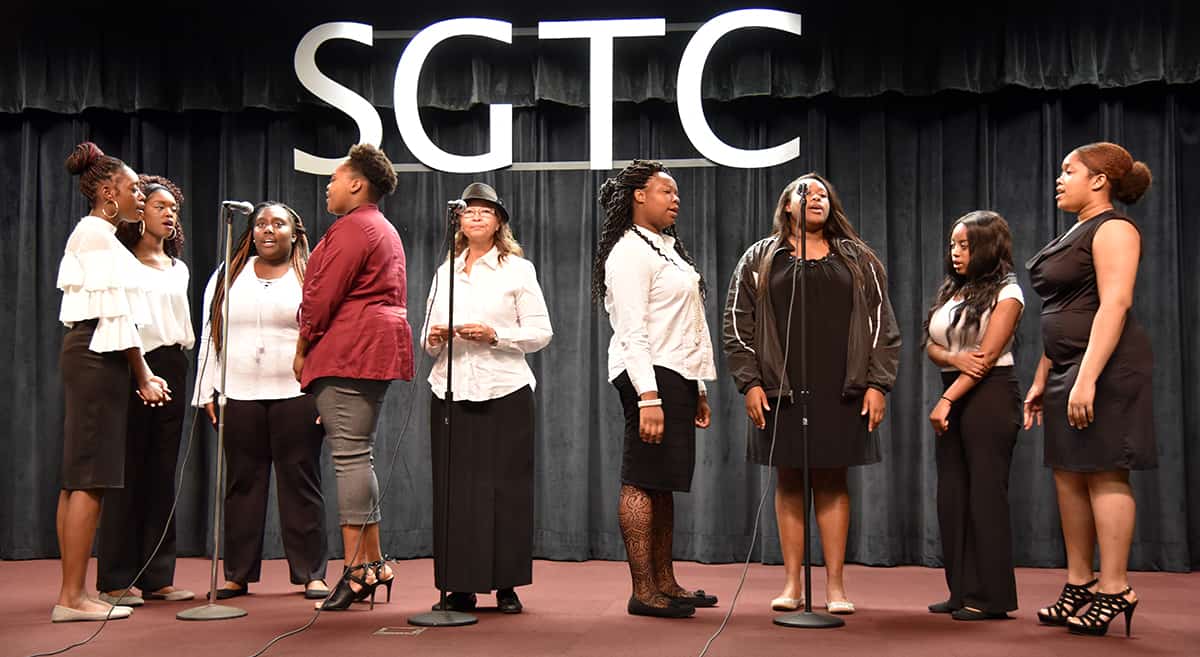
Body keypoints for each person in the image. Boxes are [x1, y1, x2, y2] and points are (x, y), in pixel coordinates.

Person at [722, 173, 899, 615]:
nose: (816, 198)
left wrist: (878, 383)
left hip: (843, 385)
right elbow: (737, 324)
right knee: (789, 479)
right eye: (807, 193)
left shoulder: (858, 258)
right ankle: (792, 584)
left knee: (834, 479)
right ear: (787, 206)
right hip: (781, 387)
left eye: (823, 194)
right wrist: (750, 382)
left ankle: (836, 587)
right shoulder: (760, 258)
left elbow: (883, 326)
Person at [1025, 142, 1155, 637]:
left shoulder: (1114, 229)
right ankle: (1080, 581)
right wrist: (1044, 376)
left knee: (1104, 474)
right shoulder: (1076, 231)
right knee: (1068, 475)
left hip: (1107, 368)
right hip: (1066, 368)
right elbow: (1061, 309)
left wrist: (1087, 377)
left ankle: (1115, 586)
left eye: (1068, 171)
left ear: (1098, 180)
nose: (1060, 179)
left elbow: (1114, 305)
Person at [420, 182, 552, 614]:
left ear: (499, 222)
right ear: (458, 221)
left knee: (505, 490)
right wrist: (436, 337)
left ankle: (506, 585)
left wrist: (496, 335)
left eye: (485, 211)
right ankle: (459, 585)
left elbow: (540, 333)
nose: (475, 216)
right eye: (468, 211)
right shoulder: (445, 272)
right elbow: (426, 338)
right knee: (455, 492)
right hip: (451, 389)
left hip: (504, 390)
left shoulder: (518, 269)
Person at [593, 160, 716, 619]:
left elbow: (687, 324)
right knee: (642, 477)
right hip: (647, 374)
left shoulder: (667, 248)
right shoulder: (628, 252)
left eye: (677, 192)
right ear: (638, 196)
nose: (676, 199)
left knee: (662, 483)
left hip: (676, 372)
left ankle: (666, 581)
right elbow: (632, 331)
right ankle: (643, 590)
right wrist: (648, 395)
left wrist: (698, 384)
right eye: (666, 190)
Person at [53, 141, 168, 622]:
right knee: (90, 479)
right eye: (132, 187)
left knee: (79, 478)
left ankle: (72, 592)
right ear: (107, 192)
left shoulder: (100, 233)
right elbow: (114, 312)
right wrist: (143, 372)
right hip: (98, 355)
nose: (139, 195)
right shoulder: (97, 235)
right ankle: (73, 597)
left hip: (92, 355)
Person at [295, 143, 413, 610]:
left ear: (357, 184)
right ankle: (373, 563)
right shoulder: (379, 228)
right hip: (368, 350)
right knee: (356, 455)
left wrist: (303, 346)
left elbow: (321, 296)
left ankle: (357, 569)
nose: (328, 185)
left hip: (350, 351)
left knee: (349, 457)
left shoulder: (354, 229)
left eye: (335, 178)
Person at [192, 203, 329, 601]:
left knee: (300, 485)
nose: (268, 230)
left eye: (278, 223)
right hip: (238, 394)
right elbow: (210, 332)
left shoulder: (310, 276)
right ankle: (237, 574)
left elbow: (325, 338)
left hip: (295, 395)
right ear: (251, 232)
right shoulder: (228, 275)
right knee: (242, 486)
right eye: (261, 224)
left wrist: (322, 394)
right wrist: (206, 390)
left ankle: (310, 574)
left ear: (295, 232)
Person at [96, 175, 196, 606]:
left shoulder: (180, 268)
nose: (168, 213)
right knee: (128, 471)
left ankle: (157, 575)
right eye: (159, 206)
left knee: (161, 473)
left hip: (173, 363)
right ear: (140, 213)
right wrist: (140, 373)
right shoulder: (122, 262)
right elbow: (121, 322)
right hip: (135, 363)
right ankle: (116, 578)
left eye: (173, 208)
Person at [923, 211, 1023, 620]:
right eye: (952, 245)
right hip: (956, 388)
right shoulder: (955, 291)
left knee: (985, 496)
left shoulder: (1009, 292)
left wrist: (948, 399)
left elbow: (985, 358)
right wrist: (952, 359)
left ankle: (991, 597)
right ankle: (960, 589)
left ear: (987, 247)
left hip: (992, 395)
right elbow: (931, 344)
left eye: (964, 246)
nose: (955, 253)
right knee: (952, 495)